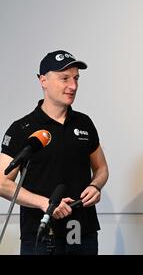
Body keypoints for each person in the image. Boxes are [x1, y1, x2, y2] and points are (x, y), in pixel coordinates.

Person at [0, 50, 109, 255]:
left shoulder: (84, 123)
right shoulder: (22, 128)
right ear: (43, 80)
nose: (73, 86)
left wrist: (95, 185)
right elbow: (2, 183)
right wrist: (45, 204)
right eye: (65, 78)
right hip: (40, 237)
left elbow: (101, 168)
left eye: (76, 78)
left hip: (81, 233)